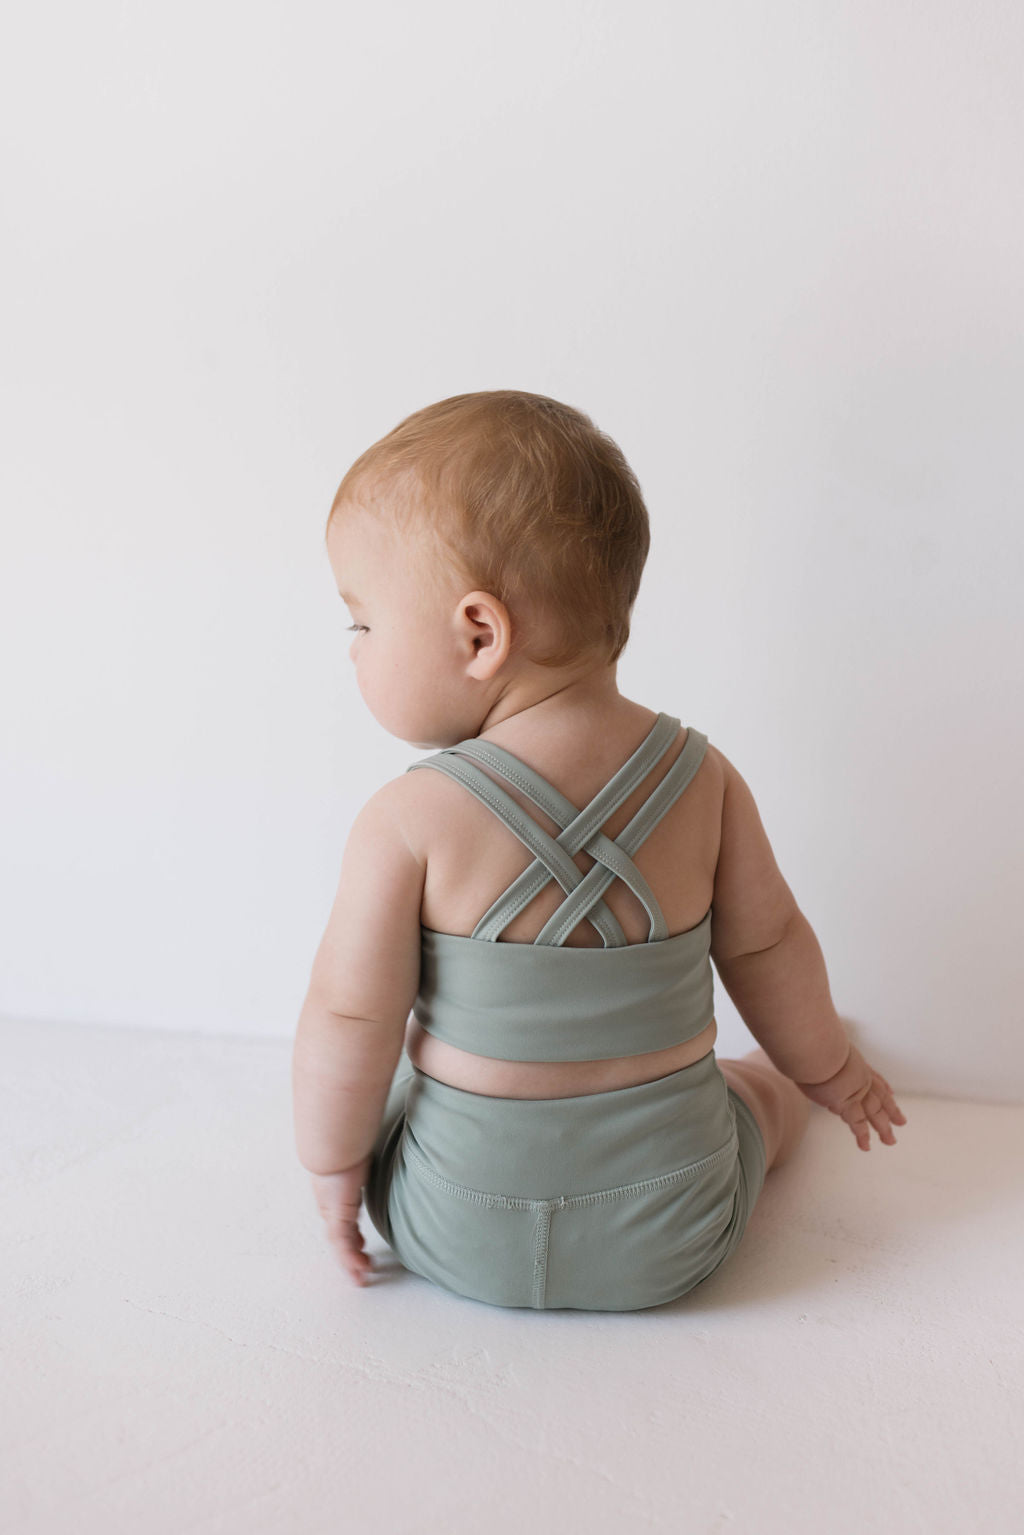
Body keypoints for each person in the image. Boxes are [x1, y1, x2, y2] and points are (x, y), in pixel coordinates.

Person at [291, 389, 907, 1311]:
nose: (354, 652)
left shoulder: (406, 820)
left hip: (452, 1224)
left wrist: (337, 1171)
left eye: (363, 623)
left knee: (390, 1103)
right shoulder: (705, 780)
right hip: (671, 1226)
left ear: (479, 633)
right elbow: (769, 944)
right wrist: (826, 1070)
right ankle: (784, 1096)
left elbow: (349, 1020)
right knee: (758, 1094)